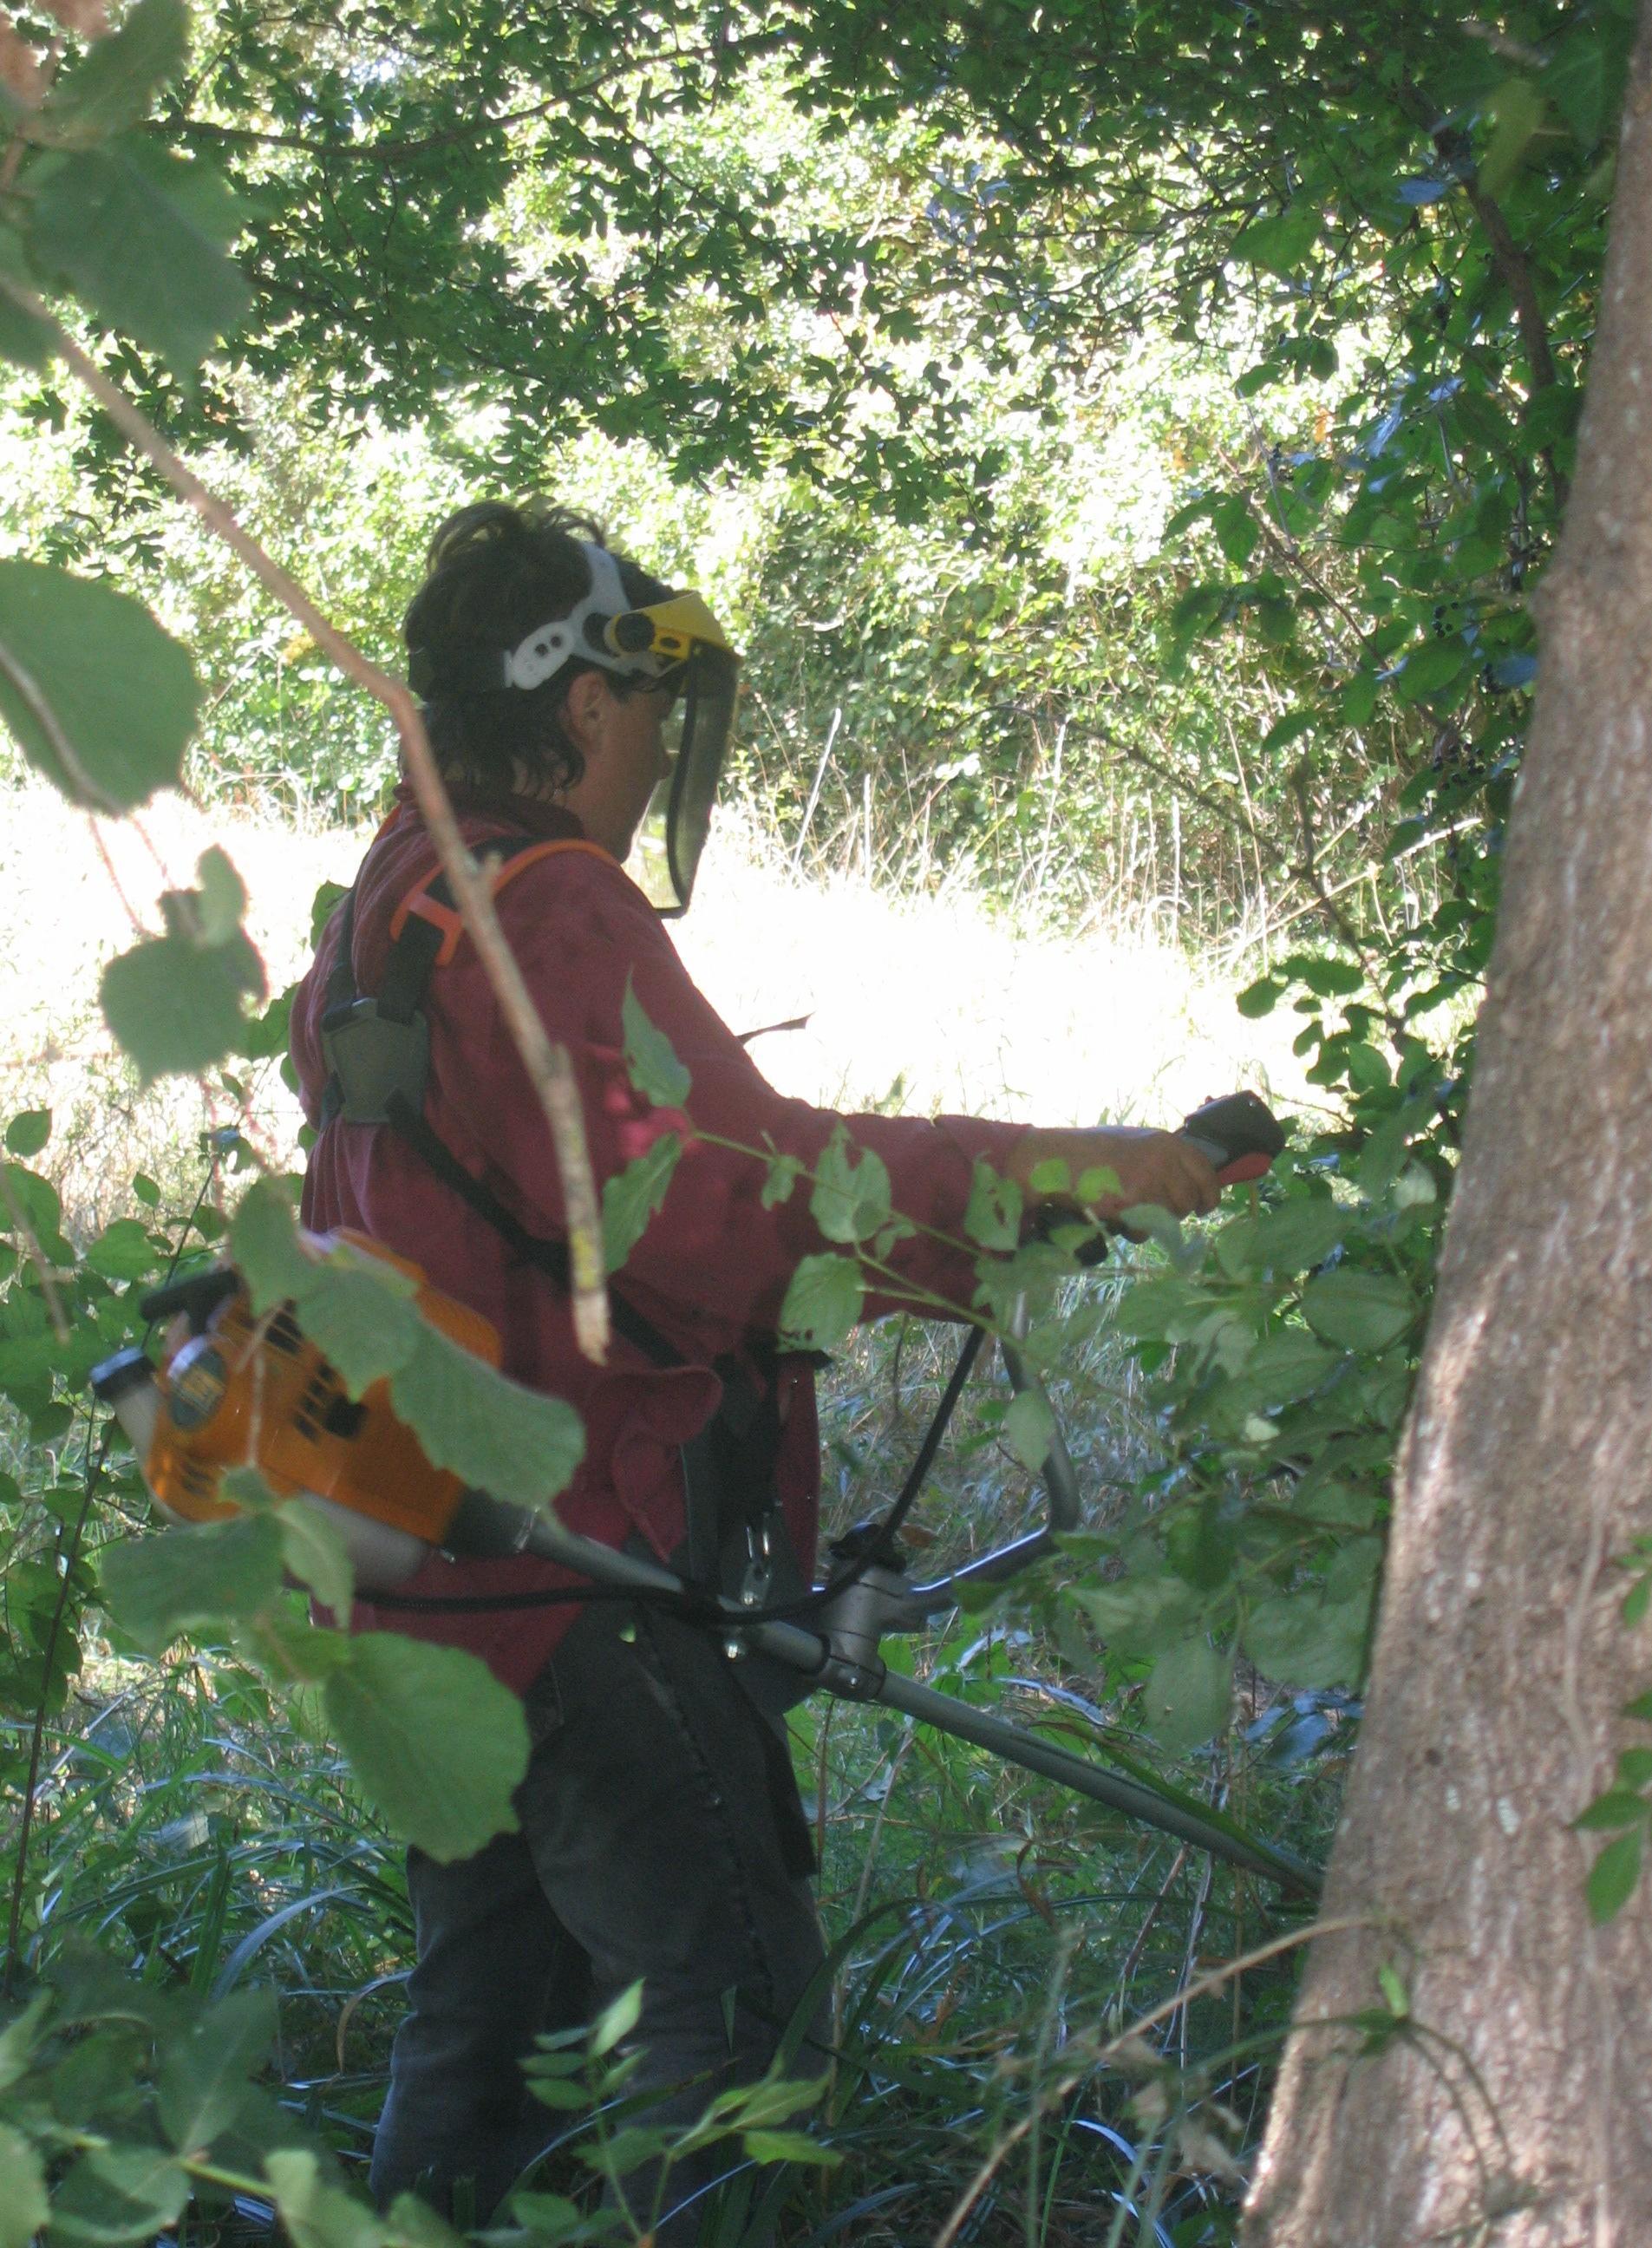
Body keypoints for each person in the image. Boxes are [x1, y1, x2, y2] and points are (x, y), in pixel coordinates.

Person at [287, 500, 1218, 2236]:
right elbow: (752, 1215)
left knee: (483, 2033)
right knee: (734, 2036)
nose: (656, 746)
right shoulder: (551, 909)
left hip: (428, 1575)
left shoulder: (403, 884)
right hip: (577, 1585)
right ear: (577, 705)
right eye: (647, 704)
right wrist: (1095, 1177)